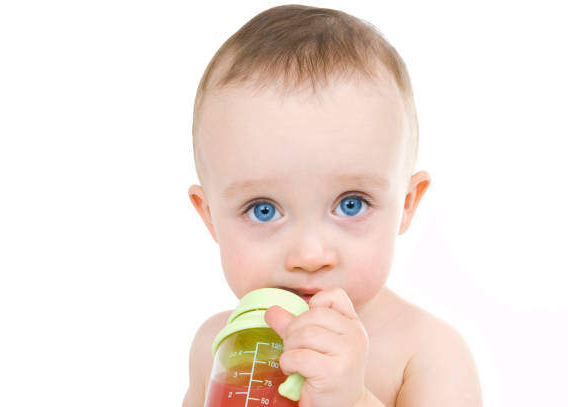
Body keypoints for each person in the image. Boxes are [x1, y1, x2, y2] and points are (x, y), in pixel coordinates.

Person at [183, 4, 482, 406]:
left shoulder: (427, 354)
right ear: (210, 218)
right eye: (263, 209)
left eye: (352, 204)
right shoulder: (216, 348)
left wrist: (353, 399)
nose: (309, 255)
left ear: (407, 204)